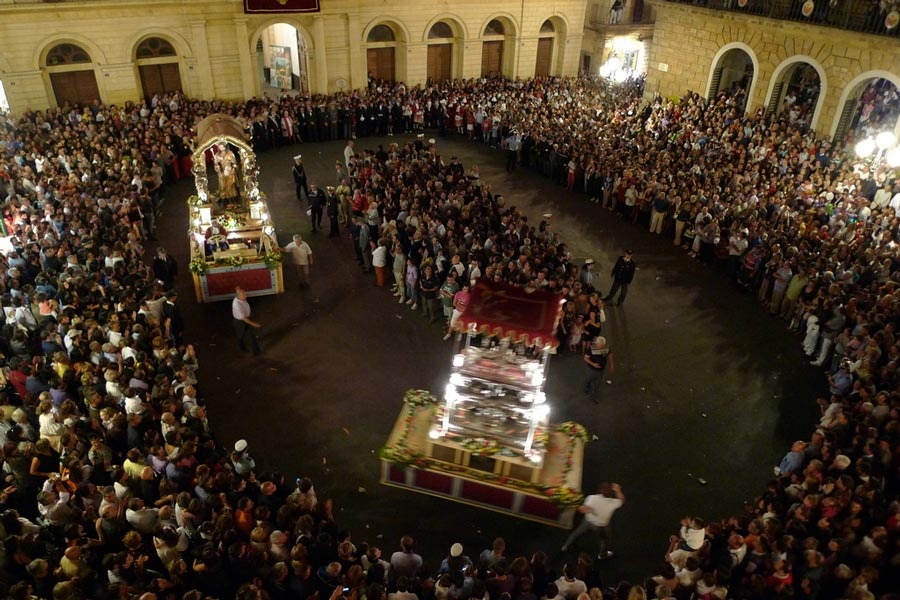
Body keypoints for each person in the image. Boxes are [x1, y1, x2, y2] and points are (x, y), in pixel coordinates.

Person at [561, 482, 625, 559]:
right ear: (611, 493)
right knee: (605, 540)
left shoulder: (591, 498)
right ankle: (602, 554)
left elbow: (583, 510)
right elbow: (622, 500)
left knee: (577, 532)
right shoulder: (613, 502)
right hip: (602, 526)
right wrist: (618, 490)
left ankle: (566, 546)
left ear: (600, 490)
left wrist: (576, 504)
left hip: (588, 521)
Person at [583, 336, 614, 403]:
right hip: (591, 369)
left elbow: (610, 355)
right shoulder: (591, 349)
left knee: (597, 383)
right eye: (598, 345)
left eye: (601, 345)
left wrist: (611, 365)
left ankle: (594, 396)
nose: (600, 347)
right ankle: (587, 386)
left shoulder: (606, 348)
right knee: (589, 379)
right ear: (596, 343)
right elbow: (585, 358)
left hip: (601, 370)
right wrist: (593, 364)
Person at [232, 287, 261, 355]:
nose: (246, 296)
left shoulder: (241, 298)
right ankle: (241, 347)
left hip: (246, 319)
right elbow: (243, 318)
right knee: (240, 336)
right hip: (240, 322)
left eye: (245, 294)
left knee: (252, 335)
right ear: (239, 296)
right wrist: (254, 324)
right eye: (244, 295)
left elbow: (238, 290)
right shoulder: (237, 305)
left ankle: (256, 352)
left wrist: (237, 289)